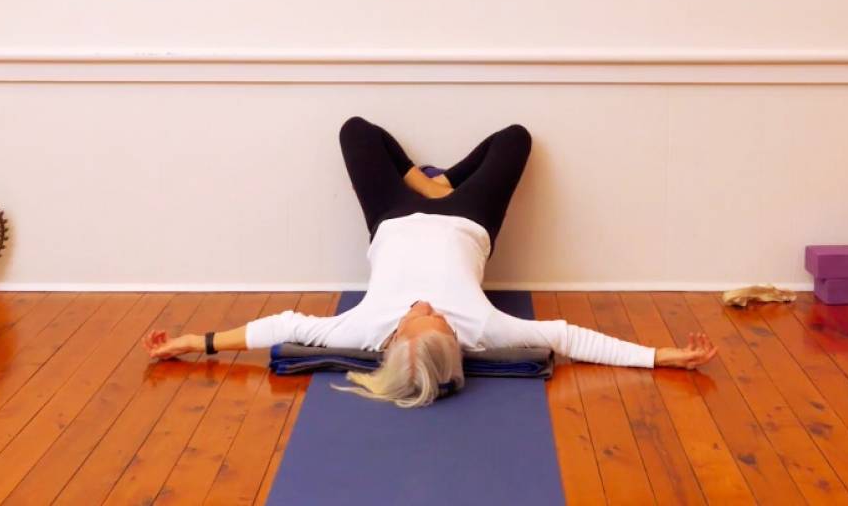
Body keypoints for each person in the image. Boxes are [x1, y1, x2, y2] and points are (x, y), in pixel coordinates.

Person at [143, 117, 718, 408]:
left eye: (419, 316)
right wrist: (663, 356)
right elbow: (569, 338)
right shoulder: (485, 329)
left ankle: (422, 181)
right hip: (468, 217)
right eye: (437, 317)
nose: (427, 306)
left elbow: (285, 327)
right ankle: (441, 187)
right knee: (514, 137)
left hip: (391, 217)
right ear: (456, 336)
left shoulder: (364, 330)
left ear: (394, 340)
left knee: (356, 131)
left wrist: (196, 343)